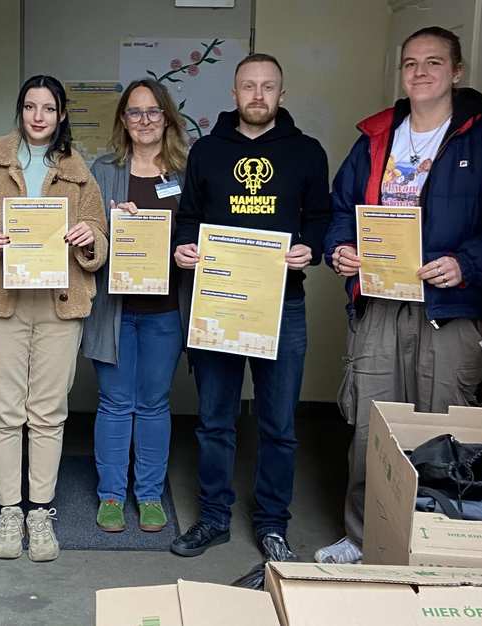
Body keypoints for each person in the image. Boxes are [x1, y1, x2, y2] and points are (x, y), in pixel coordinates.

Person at [318, 26, 482, 565]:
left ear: (456, 73)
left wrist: (466, 263)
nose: (420, 72)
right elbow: (340, 209)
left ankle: (438, 540)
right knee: (374, 423)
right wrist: (339, 248)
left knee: (447, 423)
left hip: (451, 311)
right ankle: (364, 537)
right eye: (411, 63)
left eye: (434, 62)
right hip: (381, 304)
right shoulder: (376, 138)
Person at [170, 54, 331, 569]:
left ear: (281, 94)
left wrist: (312, 247)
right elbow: (189, 216)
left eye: (268, 87)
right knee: (215, 421)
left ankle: (272, 524)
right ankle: (214, 516)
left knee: (278, 424)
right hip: (218, 301)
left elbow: (322, 217)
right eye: (248, 86)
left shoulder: (307, 152)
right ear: (234, 92)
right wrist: (184, 247)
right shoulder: (207, 151)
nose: (258, 95)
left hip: (283, 305)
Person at [0, 75, 108, 562]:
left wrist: (88, 237)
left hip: (57, 301)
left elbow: (100, 237)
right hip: (1, 298)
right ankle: (9, 511)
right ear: (20, 110)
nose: (39, 116)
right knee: (5, 410)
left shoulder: (77, 168)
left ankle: (39, 513)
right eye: (30, 106)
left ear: (62, 113)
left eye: (48, 108)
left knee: (48, 412)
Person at [82, 79, 189, 533]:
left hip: (165, 309)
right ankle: (110, 493)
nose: (144, 121)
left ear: (167, 117)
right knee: (114, 403)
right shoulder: (102, 170)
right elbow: (85, 232)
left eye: (152, 112)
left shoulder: (186, 172)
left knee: (153, 404)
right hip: (115, 309)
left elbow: (198, 232)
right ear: (122, 120)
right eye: (134, 112)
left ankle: (148, 494)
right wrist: (111, 225)